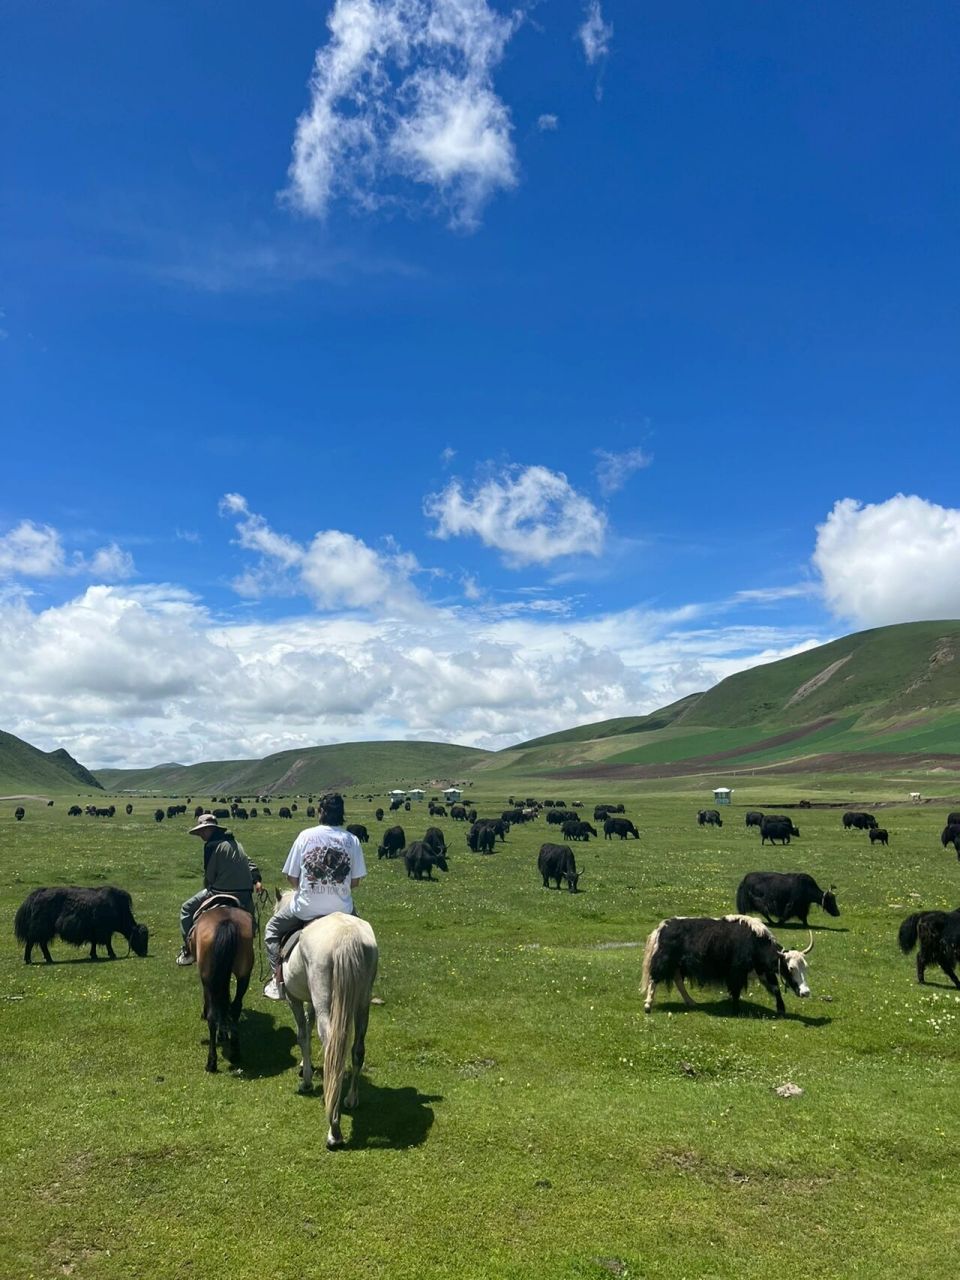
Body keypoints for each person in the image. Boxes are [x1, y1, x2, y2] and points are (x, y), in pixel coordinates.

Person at [263, 793, 366, 999]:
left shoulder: (305, 836)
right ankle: (363, 986)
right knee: (363, 939)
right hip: (342, 909)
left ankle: (277, 981)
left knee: (271, 929)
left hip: (306, 909)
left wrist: (309, 887)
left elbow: (291, 877)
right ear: (342, 815)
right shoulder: (352, 840)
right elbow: (355, 882)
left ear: (320, 812)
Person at [176, 813, 263, 966]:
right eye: (201, 831)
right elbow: (250, 863)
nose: (202, 834)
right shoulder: (236, 843)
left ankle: (188, 949)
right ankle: (251, 932)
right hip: (244, 893)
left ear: (212, 830)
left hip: (220, 891)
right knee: (250, 917)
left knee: (186, 908)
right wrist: (256, 880)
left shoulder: (211, 846)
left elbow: (209, 874)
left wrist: (209, 884)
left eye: (205, 830)